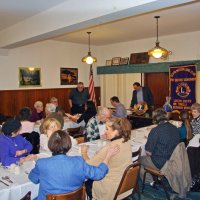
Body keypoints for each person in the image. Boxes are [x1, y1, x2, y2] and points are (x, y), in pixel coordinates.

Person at [29, 130, 120, 200]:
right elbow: (99, 174)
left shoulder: (41, 163)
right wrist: (108, 156)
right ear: (68, 145)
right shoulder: (79, 162)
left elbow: (33, 179)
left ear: (50, 145)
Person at [81, 118, 132, 200]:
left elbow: (89, 164)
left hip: (108, 188)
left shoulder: (110, 147)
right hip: (124, 183)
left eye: (107, 129)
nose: (104, 132)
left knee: (85, 182)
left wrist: (84, 152)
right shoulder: (126, 142)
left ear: (116, 131)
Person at [140, 108, 180, 183]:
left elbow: (148, 152)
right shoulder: (175, 128)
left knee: (138, 160)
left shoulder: (155, 130)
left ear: (155, 119)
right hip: (173, 160)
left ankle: (150, 181)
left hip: (160, 162)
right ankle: (157, 177)